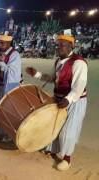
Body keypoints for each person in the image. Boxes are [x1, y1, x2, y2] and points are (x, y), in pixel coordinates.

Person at [26, 32, 87, 171]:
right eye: (58, 45)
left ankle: (67, 158)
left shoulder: (79, 63)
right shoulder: (58, 61)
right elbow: (54, 79)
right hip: (59, 99)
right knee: (53, 125)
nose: (58, 48)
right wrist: (36, 74)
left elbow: (79, 86)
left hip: (74, 102)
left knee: (67, 131)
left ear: (71, 46)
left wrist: (68, 99)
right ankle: (53, 150)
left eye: (62, 45)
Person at [0, 33, 22, 142]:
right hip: (0, 86)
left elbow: (12, 73)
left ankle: (8, 134)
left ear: (9, 43)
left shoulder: (14, 55)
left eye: (3, 43)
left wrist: (0, 61)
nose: (0, 45)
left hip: (9, 87)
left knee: (7, 111)